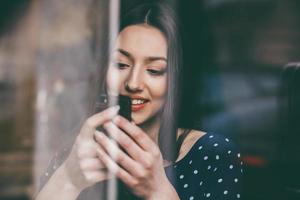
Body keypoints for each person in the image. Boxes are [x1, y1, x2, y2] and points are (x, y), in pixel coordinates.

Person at [35, 2, 243, 200]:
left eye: (154, 71)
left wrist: (157, 191)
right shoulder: (78, 153)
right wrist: (70, 178)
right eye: (121, 65)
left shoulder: (211, 153)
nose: (133, 83)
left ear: (175, 80)